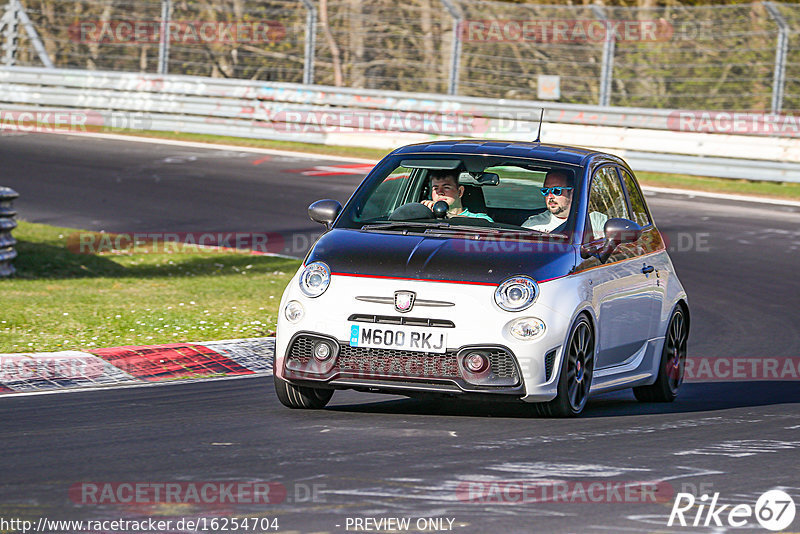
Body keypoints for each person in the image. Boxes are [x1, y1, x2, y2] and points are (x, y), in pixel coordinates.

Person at [522, 170, 607, 238]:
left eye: (556, 191)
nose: (550, 196)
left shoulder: (597, 221)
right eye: (546, 191)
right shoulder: (533, 225)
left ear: (572, 193)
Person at [420, 170, 494, 222]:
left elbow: (485, 225)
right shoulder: (427, 216)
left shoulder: (480, 218)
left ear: (460, 192)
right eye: (435, 188)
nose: (440, 192)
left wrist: (446, 215)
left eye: (446, 188)